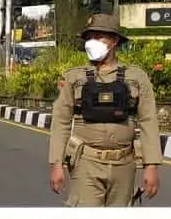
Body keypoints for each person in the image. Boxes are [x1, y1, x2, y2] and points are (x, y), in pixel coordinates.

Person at [47, 14, 162, 207]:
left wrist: (151, 166)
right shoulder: (74, 77)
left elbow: (148, 120)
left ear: (114, 41)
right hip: (86, 162)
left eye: (100, 37)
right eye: (90, 37)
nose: (93, 42)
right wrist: (57, 164)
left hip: (124, 163)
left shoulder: (136, 77)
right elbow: (61, 121)